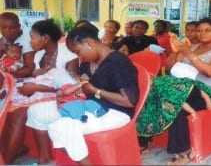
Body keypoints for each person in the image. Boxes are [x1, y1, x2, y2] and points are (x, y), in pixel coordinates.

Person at [28, 24, 139, 165]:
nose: (79, 57)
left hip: (116, 112)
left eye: (79, 52)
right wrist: (76, 86)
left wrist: (94, 90)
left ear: (89, 43)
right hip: (87, 105)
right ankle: (48, 158)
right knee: (37, 112)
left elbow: (129, 101)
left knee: (61, 127)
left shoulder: (119, 62)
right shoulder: (88, 63)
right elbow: (86, 90)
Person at [1, 19, 77, 164]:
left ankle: (6, 161)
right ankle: (10, 152)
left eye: (32, 37)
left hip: (62, 98)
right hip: (42, 93)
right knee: (8, 110)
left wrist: (35, 87)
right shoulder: (39, 55)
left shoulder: (68, 55)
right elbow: (37, 75)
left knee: (19, 114)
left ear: (46, 38)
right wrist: (32, 83)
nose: (30, 42)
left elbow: (71, 87)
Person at [161, 17, 211, 165]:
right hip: (184, 89)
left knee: (175, 102)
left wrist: (189, 55)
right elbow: (170, 68)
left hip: (208, 93)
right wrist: (175, 53)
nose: (202, 33)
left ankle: (184, 152)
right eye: (199, 30)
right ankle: (148, 140)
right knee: (158, 95)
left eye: (208, 30)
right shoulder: (191, 47)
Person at [0, 12, 35, 78]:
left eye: (12, 28)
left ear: (19, 27)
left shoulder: (26, 39)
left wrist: (6, 75)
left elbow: (30, 69)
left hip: (22, 78)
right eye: (3, 28)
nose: (7, 31)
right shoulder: (2, 38)